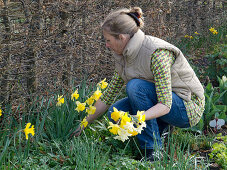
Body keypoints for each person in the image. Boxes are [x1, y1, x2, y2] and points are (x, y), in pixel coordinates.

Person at [72, 7, 205, 161]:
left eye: (108, 40)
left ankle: (153, 151)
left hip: (186, 107)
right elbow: (108, 96)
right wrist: (83, 124)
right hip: (163, 102)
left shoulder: (156, 53)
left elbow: (165, 104)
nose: (106, 45)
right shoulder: (124, 56)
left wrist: (135, 119)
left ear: (121, 37)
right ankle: (161, 129)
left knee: (135, 87)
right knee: (115, 112)